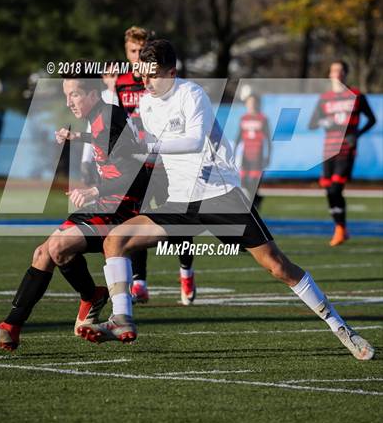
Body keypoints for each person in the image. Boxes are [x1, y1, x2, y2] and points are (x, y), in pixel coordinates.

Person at [77, 40, 375, 362]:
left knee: (277, 266)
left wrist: (150, 146)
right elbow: (152, 151)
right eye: (143, 76)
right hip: (180, 201)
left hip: (218, 196)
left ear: (172, 73)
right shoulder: (147, 105)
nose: (146, 83)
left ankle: (341, 328)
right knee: (115, 241)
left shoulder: (192, 94)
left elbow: (193, 140)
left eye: (153, 76)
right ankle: (123, 319)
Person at [0, 71, 148, 350]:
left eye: (75, 94)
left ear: (93, 94)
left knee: (55, 247)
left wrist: (94, 190)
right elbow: (110, 144)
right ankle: (13, 326)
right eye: (66, 95)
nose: (69, 102)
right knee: (47, 251)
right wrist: (79, 136)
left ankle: (16, 324)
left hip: (121, 209)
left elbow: (135, 173)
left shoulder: (111, 117)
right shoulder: (101, 116)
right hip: (106, 204)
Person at [82, 26, 196, 305]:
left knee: (177, 220)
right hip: (136, 159)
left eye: (141, 52)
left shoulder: (161, 81)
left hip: (166, 156)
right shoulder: (119, 81)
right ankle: (139, 282)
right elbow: (112, 119)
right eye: (132, 52)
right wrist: (109, 91)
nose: (137, 58)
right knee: (135, 218)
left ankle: (186, 270)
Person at [309, 60, 376, 246]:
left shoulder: (356, 95)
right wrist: (325, 123)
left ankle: (340, 229)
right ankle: (341, 228)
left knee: (336, 188)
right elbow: (312, 123)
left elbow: (372, 119)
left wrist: (357, 134)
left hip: (346, 150)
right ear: (329, 75)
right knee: (329, 189)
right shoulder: (325, 98)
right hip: (329, 149)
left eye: (340, 70)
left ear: (346, 73)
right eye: (333, 71)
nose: (337, 74)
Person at [235, 93, 271, 209]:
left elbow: (268, 141)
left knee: (254, 184)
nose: (251, 105)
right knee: (244, 183)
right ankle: (255, 201)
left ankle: (255, 202)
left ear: (258, 104)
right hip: (246, 156)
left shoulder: (263, 119)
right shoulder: (243, 118)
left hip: (258, 156)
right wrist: (234, 154)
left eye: (253, 102)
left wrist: (267, 156)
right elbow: (238, 138)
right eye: (249, 102)